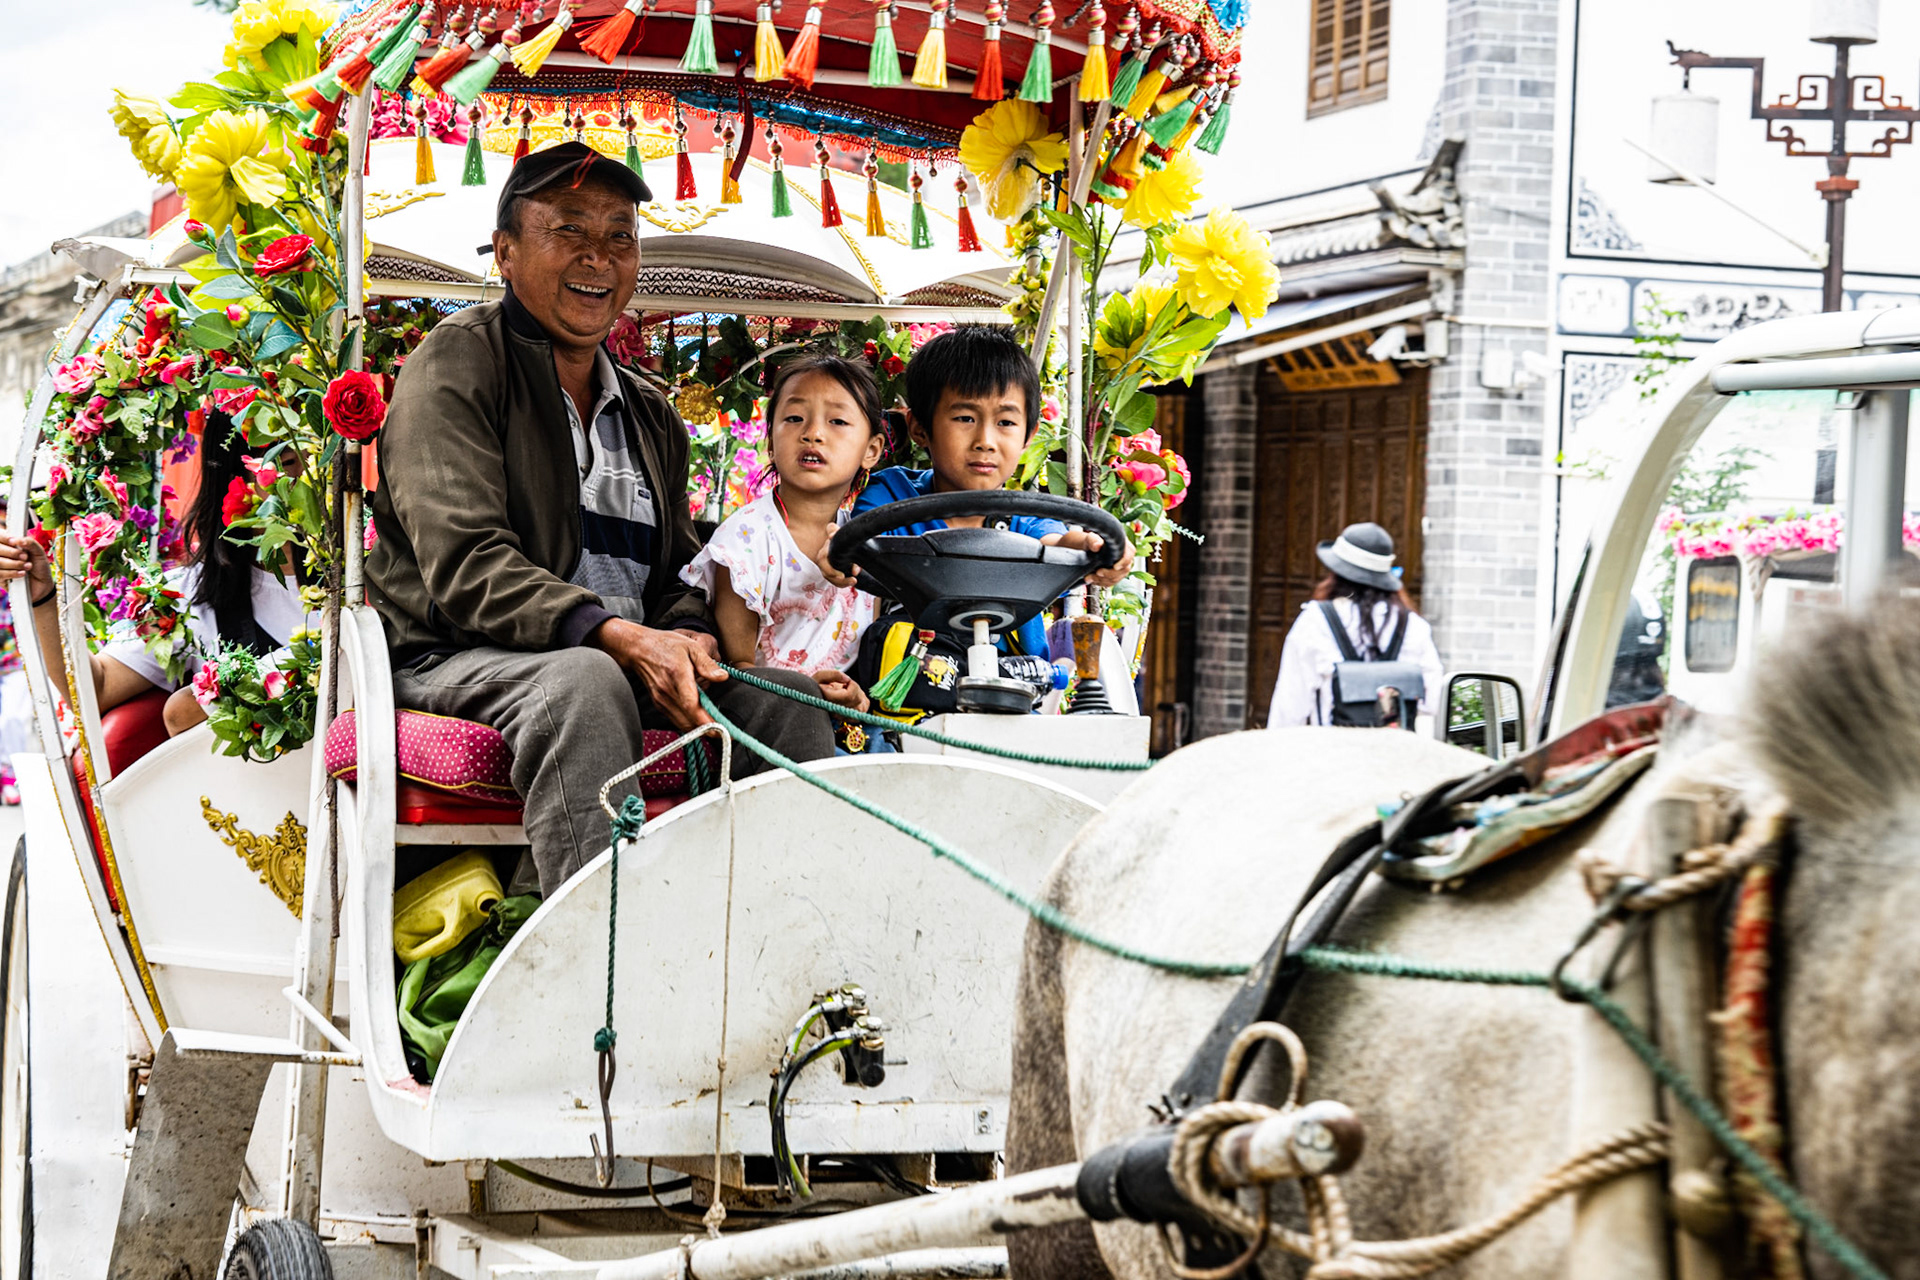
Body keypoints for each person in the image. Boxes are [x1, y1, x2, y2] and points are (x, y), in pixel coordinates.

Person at [367, 141, 833, 896]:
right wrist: (615, 637)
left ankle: (788, 945)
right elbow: (466, 565)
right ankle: (595, 981)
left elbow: (680, 569)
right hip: (453, 654)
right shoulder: (457, 364)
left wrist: (683, 633)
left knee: (788, 698)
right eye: (570, 230)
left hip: (614, 656)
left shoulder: (650, 411)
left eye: (620, 236)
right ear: (508, 253)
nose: (599, 257)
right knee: (583, 684)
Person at [820, 325, 1133, 661]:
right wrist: (841, 554)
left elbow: (1057, 543)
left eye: (1006, 423)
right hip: (906, 689)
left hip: (1014, 687)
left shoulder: (1025, 516)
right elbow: (859, 543)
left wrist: (1091, 546)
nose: (985, 440)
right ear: (919, 429)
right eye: (965, 417)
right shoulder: (893, 496)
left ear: (1029, 434)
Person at [0, 413, 312, 740]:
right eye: (287, 460)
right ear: (235, 471)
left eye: (316, 455)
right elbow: (97, 688)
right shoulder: (189, 597)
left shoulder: (366, 560)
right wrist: (42, 599)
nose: (308, 474)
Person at [679, 351, 883, 713]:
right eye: (794, 418)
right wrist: (804, 692)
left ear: (871, 450)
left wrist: (859, 700)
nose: (813, 434)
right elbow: (738, 670)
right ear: (770, 441)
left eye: (837, 421)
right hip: (770, 721)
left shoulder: (873, 546)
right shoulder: (744, 540)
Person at [1267, 522, 1443, 728]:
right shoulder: (1413, 625)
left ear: (1336, 573)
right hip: (1394, 753)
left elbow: (1291, 705)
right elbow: (1431, 702)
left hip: (1333, 751)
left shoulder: (1316, 620)